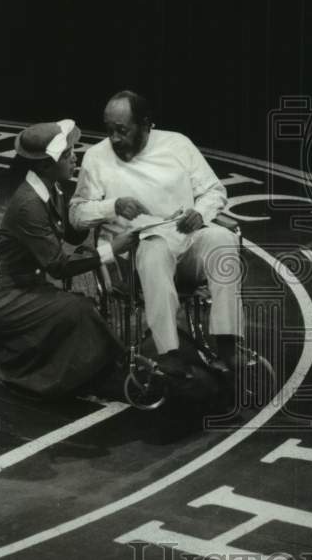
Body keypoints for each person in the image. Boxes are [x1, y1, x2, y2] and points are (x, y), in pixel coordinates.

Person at [69, 90, 244, 376]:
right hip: (136, 256)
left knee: (223, 240)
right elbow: (76, 216)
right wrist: (113, 206)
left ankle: (227, 345)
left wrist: (200, 213)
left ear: (146, 125)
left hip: (185, 242)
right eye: (109, 130)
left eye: (122, 130)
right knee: (154, 248)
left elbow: (214, 190)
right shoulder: (96, 157)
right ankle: (168, 351)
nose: (114, 138)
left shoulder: (178, 144)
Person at [0, 118, 133, 399]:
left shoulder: (50, 187)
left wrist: (106, 207)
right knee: (77, 310)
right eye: (68, 154)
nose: (76, 158)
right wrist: (111, 250)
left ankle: (97, 372)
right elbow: (58, 266)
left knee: (76, 308)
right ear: (47, 164)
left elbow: (71, 235)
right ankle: (110, 372)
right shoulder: (29, 204)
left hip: (21, 287)